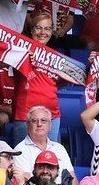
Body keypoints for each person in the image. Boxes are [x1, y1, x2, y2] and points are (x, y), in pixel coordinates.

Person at [10, 11, 62, 143]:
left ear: (52, 31)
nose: (43, 32)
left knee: (50, 154)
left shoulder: (55, 56)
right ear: (32, 30)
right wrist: (21, 57)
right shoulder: (20, 50)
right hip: (26, 114)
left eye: (47, 29)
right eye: (38, 28)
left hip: (52, 114)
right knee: (23, 154)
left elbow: (59, 83)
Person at [13, 106, 77, 185]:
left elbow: (73, 181)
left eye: (43, 120)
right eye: (34, 121)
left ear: (50, 125)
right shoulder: (20, 150)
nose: (39, 124)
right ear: (27, 125)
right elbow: (25, 182)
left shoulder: (59, 148)